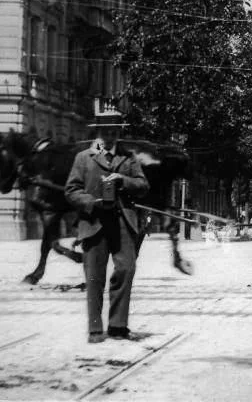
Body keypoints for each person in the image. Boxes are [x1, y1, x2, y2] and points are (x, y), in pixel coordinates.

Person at [64, 124, 149, 343]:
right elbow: (71, 191)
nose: (110, 136)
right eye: (106, 132)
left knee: (126, 269)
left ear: (119, 133)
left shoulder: (128, 158)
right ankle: (95, 329)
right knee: (94, 276)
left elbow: (143, 185)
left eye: (114, 132)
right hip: (94, 222)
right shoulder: (83, 158)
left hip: (122, 222)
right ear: (98, 133)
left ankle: (118, 326)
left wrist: (124, 181)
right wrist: (91, 203)